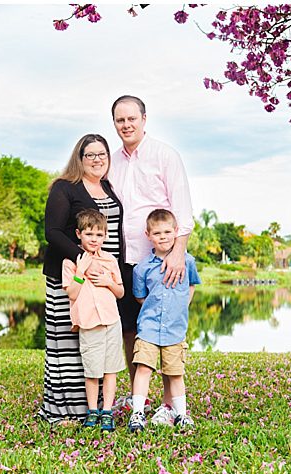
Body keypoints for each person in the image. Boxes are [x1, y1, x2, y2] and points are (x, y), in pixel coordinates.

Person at [109, 95, 194, 416]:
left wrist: (177, 253)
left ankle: (171, 403)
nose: (126, 125)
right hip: (123, 260)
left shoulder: (165, 155)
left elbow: (182, 208)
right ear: (114, 123)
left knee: (167, 329)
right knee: (131, 329)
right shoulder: (111, 161)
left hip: (161, 262)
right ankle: (138, 397)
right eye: (120, 120)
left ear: (144, 119)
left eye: (131, 118)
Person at [39, 133, 125, 423]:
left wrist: (114, 273)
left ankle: (100, 408)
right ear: (80, 158)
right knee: (69, 340)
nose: (97, 159)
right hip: (73, 274)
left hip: (105, 280)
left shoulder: (108, 188)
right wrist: (82, 262)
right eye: (90, 155)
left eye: (102, 154)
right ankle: (68, 410)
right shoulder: (65, 188)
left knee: (99, 339)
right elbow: (52, 232)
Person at [128, 209, 200, 432]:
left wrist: (180, 307)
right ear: (148, 235)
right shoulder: (142, 268)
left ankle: (181, 414)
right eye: (157, 233)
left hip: (175, 329)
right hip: (148, 327)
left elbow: (191, 285)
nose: (163, 236)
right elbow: (140, 296)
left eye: (168, 231)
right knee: (143, 368)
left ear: (176, 232)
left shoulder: (187, 262)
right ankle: (137, 413)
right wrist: (154, 309)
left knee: (175, 373)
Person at [61, 210, 124, 432]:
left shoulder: (110, 260)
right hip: (89, 324)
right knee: (92, 371)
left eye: (99, 235)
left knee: (110, 370)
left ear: (105, 236)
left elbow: (120, 293)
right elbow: (72, 294)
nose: (94, 239)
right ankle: (92, 411)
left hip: (111, 322)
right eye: (89, 234)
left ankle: (107, 411)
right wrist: (82, 270)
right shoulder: (71, 262)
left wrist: (108, 281)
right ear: (79, 234)